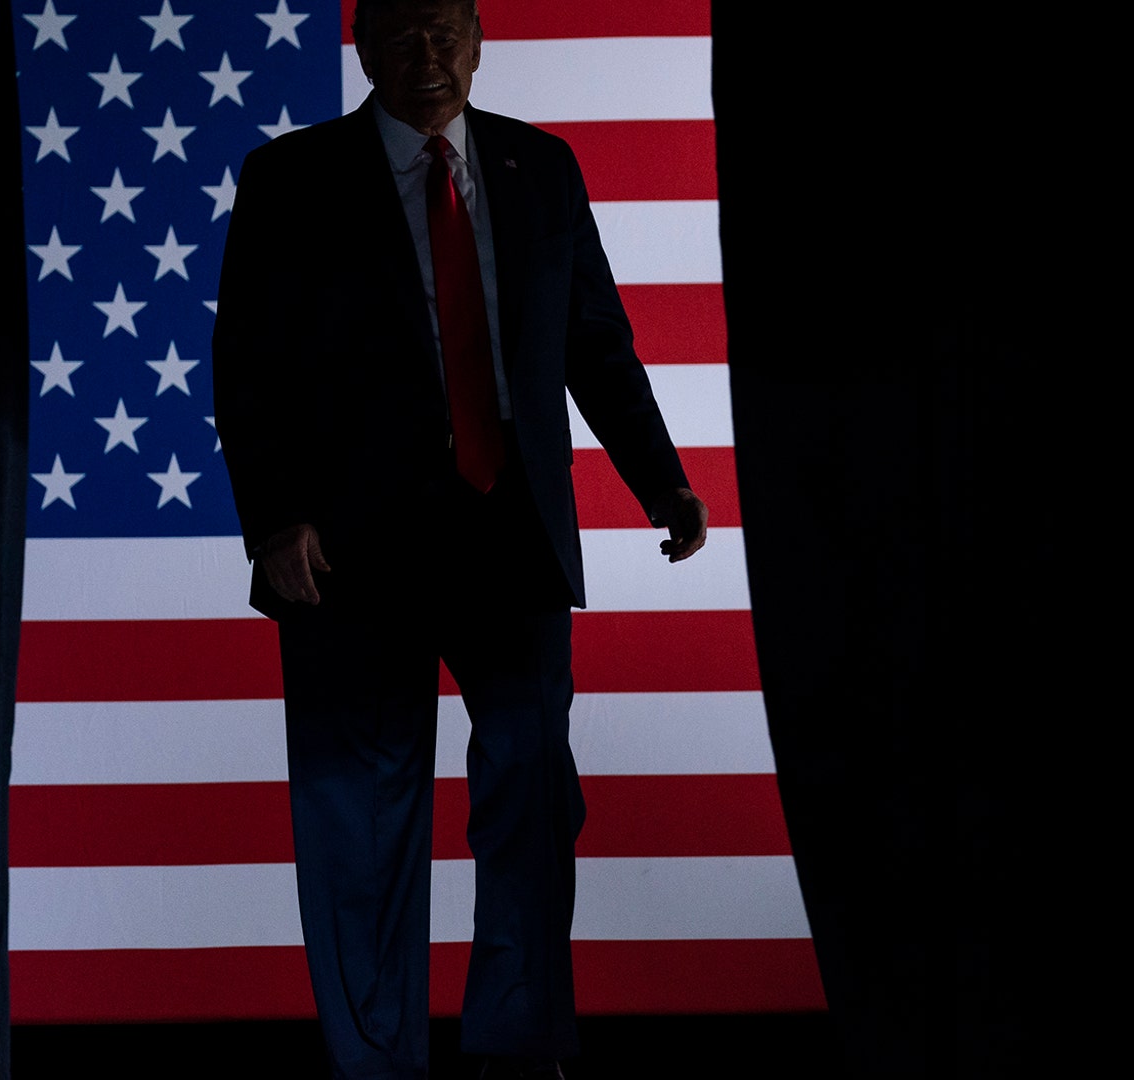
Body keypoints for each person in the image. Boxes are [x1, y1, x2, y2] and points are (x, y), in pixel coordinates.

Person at [212, 2, 709, 1076]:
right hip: (351, 554)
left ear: (479, 44)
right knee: (359, 829)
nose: (426, 51)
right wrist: (275, 522)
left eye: (446, 28)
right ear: (363, 47)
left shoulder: (542, 166)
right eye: (402, 29)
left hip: (511, 542)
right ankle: (376, 1062)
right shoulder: (291, 178)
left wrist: (663, 483)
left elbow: (597, 344)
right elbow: (246, 373)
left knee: (531, 811)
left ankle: (519, 1054)